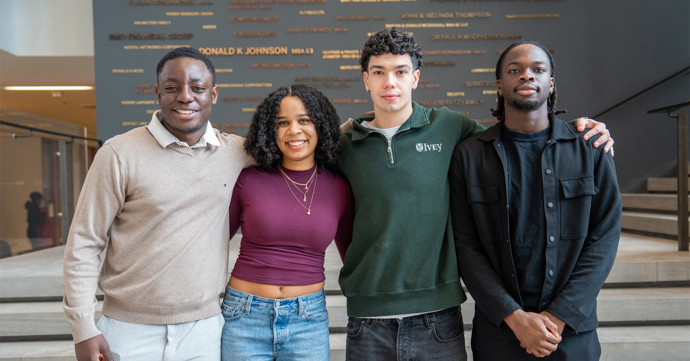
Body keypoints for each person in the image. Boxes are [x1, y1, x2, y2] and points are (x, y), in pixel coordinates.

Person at [336, 28, 614, 361]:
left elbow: (520, 133)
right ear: (366, 80)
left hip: (445, 318)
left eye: (400, 71)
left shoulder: (450, 127)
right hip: (375, 318)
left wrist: (580, 129)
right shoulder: (346, 144)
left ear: (415, 79)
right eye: (379, 73)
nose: (389, 82)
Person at [62, 47, 253, 361]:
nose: (185, 97)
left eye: (198, 88)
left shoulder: (236, 151)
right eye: (172, 88)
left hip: (204, 330)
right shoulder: (118, 153)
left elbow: (302, 146)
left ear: (214, 94)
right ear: (157, 92)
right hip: (127, 330)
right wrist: (83, 328)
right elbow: (84, 241)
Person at [449, 40, 621, 360]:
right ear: (500, 86)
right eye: (515, 70)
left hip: (571, 331)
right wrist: (515, 318)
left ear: (551, 84)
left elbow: (604, 238)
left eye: (538, 70)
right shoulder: (470, 156)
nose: (527, 76)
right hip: (499, 331)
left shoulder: (591, 150)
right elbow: (465, 245)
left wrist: (557, 317)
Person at [220, 84, 354, 360]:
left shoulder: (339, 187)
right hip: (244, 315)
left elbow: (354, 256)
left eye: (304, 120)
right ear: (271, 131)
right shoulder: (247, 180)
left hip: (308, 319)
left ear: (321, 126)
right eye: (282, 123)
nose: (294, 130)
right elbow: (213, 242)